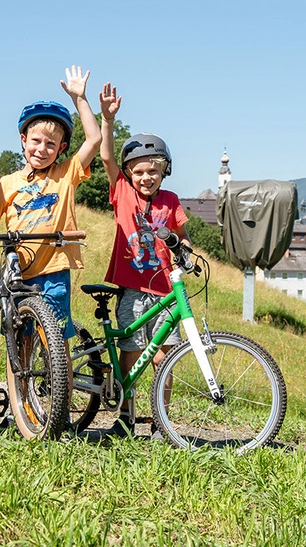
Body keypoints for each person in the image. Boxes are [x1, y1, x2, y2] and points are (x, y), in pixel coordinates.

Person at [0, 66, 102, 359]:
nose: (42, 149)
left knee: (57, 347)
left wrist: (80, 98)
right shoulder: (8, 184)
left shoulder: (66, 174)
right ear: (23, 139)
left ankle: (60, 402)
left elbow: (94, 140)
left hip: (54, 270)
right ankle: (21, 405)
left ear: (61, 148)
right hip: (19, 272)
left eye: (51, 144)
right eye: (36, 141)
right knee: (20, 343)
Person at [96, 83, 190, 438]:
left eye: (152, 171)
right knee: (131, 354)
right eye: (138, 172)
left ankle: (161, 422)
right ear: (129, 174)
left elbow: (182, 236)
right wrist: (107, 119)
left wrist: (187, 254)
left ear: (164, 171)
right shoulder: (121, 191)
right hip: (133, 289)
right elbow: (106, 157)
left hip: (166, 288)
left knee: (165, 358)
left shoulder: (171, 199)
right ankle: (124, 416)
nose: (145, 177)